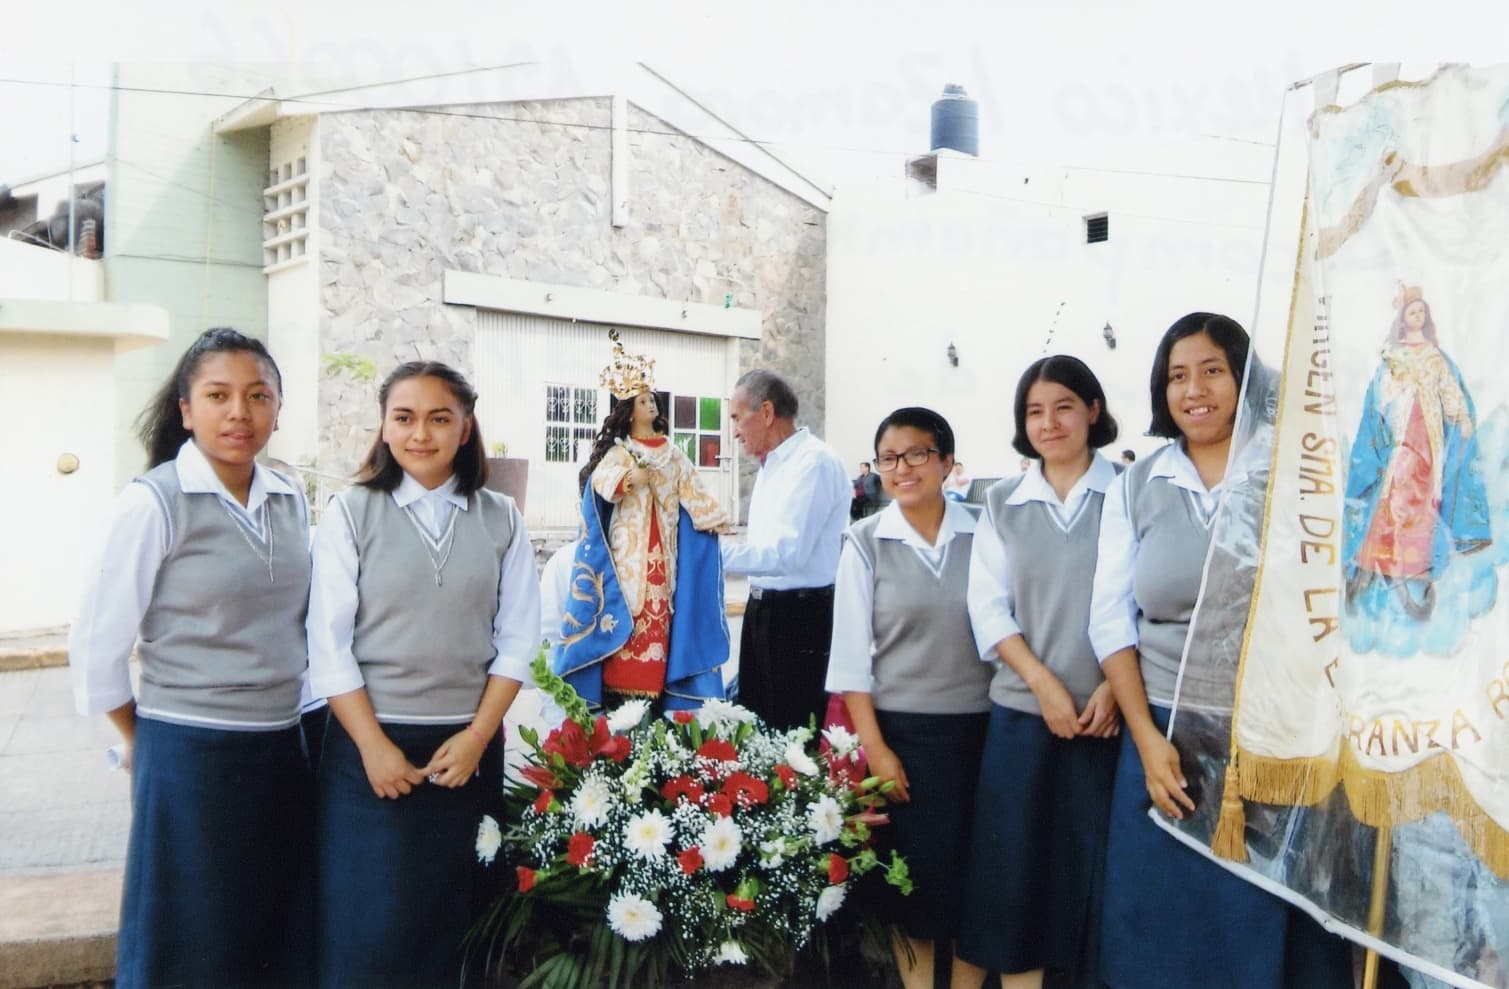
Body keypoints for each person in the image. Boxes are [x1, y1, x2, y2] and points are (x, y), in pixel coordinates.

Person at [1090, 313, 1352, 989]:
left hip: (1270, 743)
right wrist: (1145, 739)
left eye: (1212, 369)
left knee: (1259, 942)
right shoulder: (1137, 484)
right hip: (1164, 745)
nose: (1194, 388)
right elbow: (1110, 623)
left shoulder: (1292, 471)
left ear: (1243, 378)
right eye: (1177, 375)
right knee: (1160, 941)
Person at [69, 327, 315, 988]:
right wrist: (141, 739)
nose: (239, 412)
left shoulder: (290, 499)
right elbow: (96, 647)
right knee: (185, 942)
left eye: (257, 395)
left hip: (281, 752)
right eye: (218, 394)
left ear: (276, 409)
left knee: (268, 936)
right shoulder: (153, 502)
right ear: (186, 409)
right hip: (188, 756)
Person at [306, 361, 540, 988]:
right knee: (370, 930)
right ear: (383, 427)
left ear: (466, 429)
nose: (420, 434)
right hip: (369, 755)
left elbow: (517, 639)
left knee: (456, 926)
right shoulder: (350, 512)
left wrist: (477, 737)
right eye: (403, 417)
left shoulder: (502, 519)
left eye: (440, 418)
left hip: (464, 750)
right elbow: (327, 646)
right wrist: (372, 746)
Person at [956, 356, 1123, 989]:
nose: (1048, 423)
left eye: (1063, 407)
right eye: (1034, 411)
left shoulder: (1127, 493)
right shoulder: (1002, 501)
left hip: (1110, 719)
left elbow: (1137, 601)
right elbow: (988, 608)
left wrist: (1115, 687)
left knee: (1088, 885)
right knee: (1014, 883)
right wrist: (1045, 686)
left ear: (1093, 412)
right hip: (1025, 717)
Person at [827, 407, 992, 989]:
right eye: (889, 458)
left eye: (918, 453)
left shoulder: (986, 533)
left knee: (977, 887)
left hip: (984, 734)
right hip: (903, 739)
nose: (903, 468)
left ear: (947, 461)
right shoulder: (866, 542)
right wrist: (875, 748)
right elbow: (850, 658)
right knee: (915, 891)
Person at [555, 329, 731, 710]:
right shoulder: (622, 451)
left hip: (663, 550)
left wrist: (711, 516)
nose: (651, 406)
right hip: (626, 554)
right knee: (627, 612)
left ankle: (658, 689)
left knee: (659, 612)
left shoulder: (671, 451)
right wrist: (627, 479)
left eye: (652, 399)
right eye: (643, 401)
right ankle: (619, 690)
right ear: (629, 410)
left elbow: (691, 486)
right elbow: (600, 483)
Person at [1343, 284, 1492, 648]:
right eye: (1411, 312)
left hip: (1428, 434)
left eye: (1421, 312)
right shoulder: (1392, 357)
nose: (1417, 317)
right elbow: (1381, 395)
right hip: (1400, 436)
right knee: (1393, 493)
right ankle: (1376, 559)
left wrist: (1460, 418)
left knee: (1425, 496)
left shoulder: (1436, 357)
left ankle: (1415, 562)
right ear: (1401, 318)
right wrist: (1398, 389)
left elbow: (1448, 391)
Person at [723, 368, 851, 730]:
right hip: (763, 610)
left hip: (801, 617)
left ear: (765, 413)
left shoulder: (814, 463)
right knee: (755, 726)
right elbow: (760, 547)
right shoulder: (770, 467)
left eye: (737, 418)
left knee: (792, 736)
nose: (734, 431)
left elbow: (785, 554)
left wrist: (710, 557)